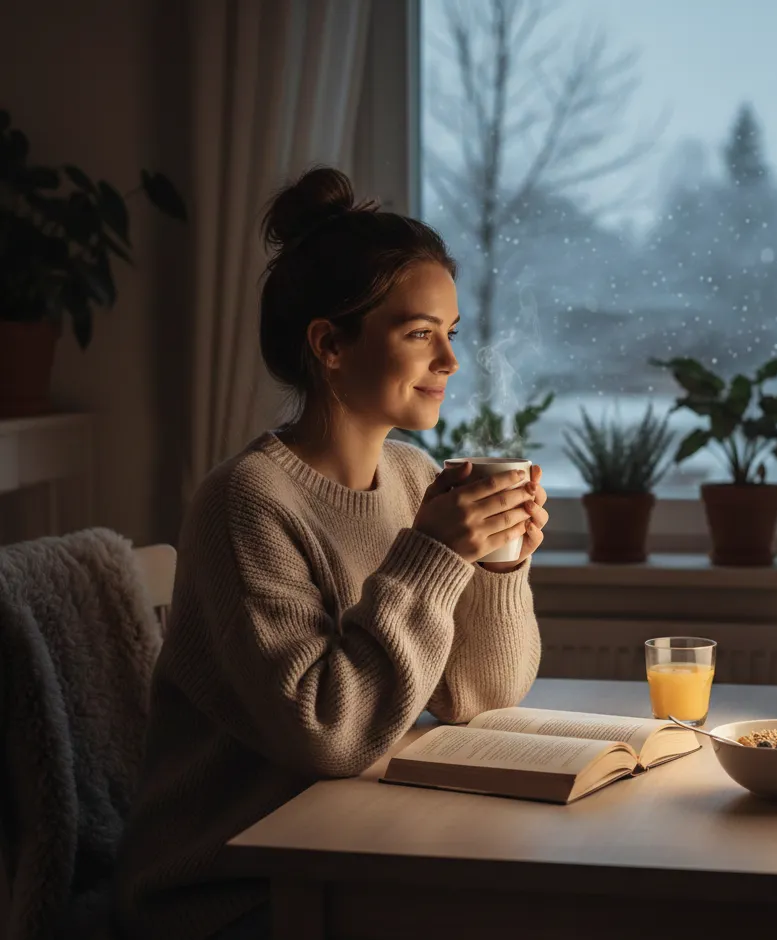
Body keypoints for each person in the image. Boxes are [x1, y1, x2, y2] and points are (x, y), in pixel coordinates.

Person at [113, 167, 547, 940]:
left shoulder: (415, 477)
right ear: (330, 344)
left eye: (453, 333)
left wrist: (497, 566)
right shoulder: (246, 501)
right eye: (420, 334)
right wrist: (434, 558)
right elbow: (329, 735)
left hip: (349, 850)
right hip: (228, 890)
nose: (449, 361)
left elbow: (483, 699)